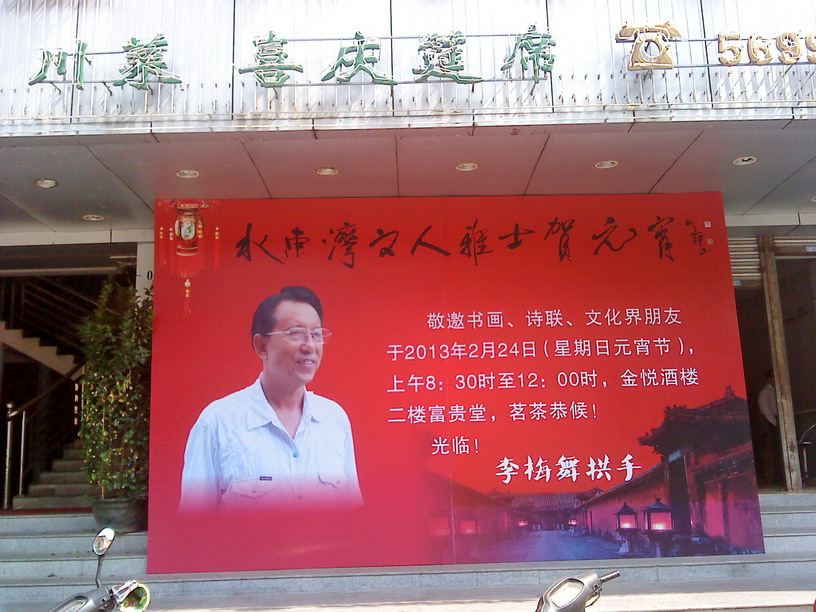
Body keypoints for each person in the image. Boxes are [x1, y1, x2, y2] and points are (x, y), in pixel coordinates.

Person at [179, 286, 362, 512]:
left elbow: (352, 513)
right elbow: (194, 521)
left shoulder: (334, 419)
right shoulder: (218, 422)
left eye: (316, 334)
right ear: (262, 346)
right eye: (296, 333)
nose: (310, 346)